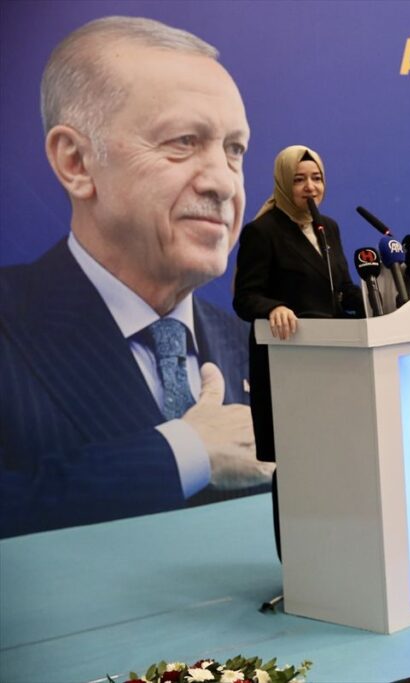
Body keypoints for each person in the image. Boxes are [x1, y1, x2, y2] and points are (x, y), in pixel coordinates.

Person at [0, 16, 274, 538]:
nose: (223, 182)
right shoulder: (11, 324)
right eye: (184, 141)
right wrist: (182, 454)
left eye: (234, 149)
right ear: (77, 162)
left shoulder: (257, 348)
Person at [233, 145, 364, 557]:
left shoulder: (329, 228)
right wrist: (274, 307)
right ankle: (296, 559)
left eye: (317, 178)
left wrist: (376, 298)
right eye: (300, 179)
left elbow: (341, 289)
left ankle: (334, 552)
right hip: (288, 366)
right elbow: (245, 297)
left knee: (333, 458)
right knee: (295, 462)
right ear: (283, 183)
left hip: (332, 365)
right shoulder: (263, 232)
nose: (310, 187)